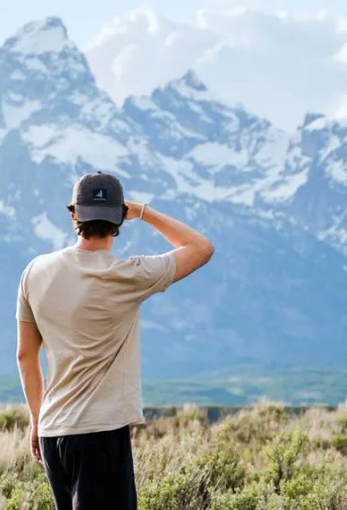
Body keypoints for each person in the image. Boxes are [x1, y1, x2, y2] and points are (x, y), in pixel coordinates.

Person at [15, 170, 214, 509]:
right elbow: (201, 248)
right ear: (120, 219)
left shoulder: (35, 271)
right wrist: (144, 211)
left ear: (74, 214)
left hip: (52, 431)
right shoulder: (128, 274)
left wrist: (38, 418)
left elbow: (25, 355)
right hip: (99, 433)